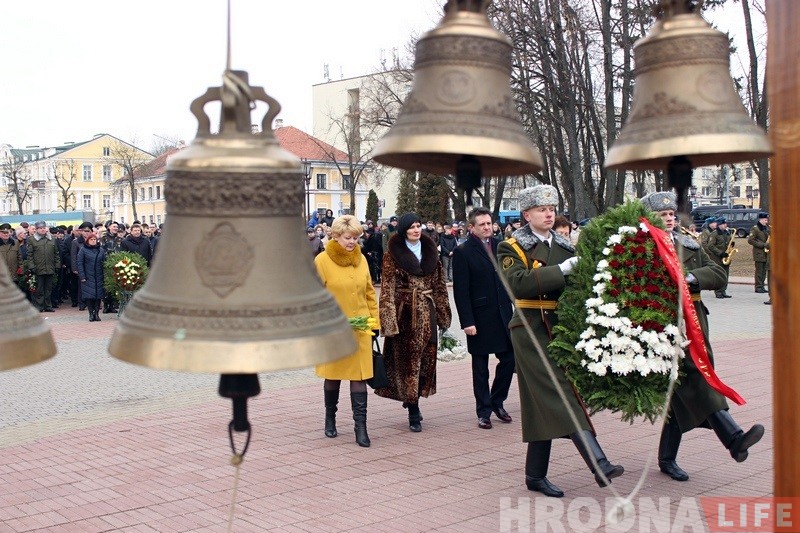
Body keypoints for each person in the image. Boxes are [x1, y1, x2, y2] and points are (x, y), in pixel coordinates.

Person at [497, 185, 623, 498]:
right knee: (560, 392)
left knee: (544, 401)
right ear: (527, 215)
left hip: (560, 327)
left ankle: (535, 476)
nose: (549, 213)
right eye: (541, 209)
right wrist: (561, 271)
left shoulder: (566, 247)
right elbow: (518, 285)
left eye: (552, 207)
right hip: (529, 329)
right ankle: (599, 463)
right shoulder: (512, 247)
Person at [639, 191, 764, 482]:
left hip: (695, 322)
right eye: (663, 215)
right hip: (666, 327)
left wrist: (693, 277)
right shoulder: (641, 247)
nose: (669, 219)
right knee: (696, 379)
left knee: (681, 393)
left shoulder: (687, 242)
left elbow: (718, 273)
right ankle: (733, 439)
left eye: (672, 214)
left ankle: (667, 459)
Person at [376, 212, 451, 432]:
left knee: (425, 359)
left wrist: (444, 313)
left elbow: (439, 286)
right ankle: (413, 409)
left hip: (427, 311)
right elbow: (387, 290)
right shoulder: (392, 255)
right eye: (411, 227)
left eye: (418, 226)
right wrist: (389, 320)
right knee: (408, 361)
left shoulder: (431, 252)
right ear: (403, 230)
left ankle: (414, 397)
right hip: (405, 314)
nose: (416, 230)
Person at [314, 215, 380, 447]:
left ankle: (360, 428)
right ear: (335, 236)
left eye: (356, 238)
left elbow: (370, 292)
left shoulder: (361, 259)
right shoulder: (322, 261)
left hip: (360, 328)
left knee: (359, 378)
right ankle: (330, 418)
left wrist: (375, 323)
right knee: (333, 377)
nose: (352, 242)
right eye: (348, 237)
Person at [452, 207, 516, 429]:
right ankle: (484, 411)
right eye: (483, 224)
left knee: (509, 359)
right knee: (480, 367)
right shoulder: (463, 252)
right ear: (472, 228)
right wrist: (467, 322)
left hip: (503, 314)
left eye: (490, 223)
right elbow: (461, 291)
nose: (488, 227)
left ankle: (497, 401)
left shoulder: (502, 247)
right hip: (479, 318)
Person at [27, 221, 61, 312]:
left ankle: (48, 305)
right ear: (37, 230)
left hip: (50, 267)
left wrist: (57, 265)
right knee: (39, 288)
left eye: (44, 228)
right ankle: (39, 306)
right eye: (40, 228)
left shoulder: (52, 239)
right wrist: (32, 266)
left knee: (49, 288)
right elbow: (29, 255)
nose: (43, 229)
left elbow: (56, 253)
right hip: (38, 267)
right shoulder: (32, 240)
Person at [76, 232, 108, 322]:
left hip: (99, 276)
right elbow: (80, 263)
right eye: (91, 239)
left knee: (98, 296)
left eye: (95, 239)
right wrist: (82, 276)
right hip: (87, 276)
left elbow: (104, 262)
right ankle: (91, 314)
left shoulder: (101, 250)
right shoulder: (83, 250)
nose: (93, 241)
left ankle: (97, 314)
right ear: (87, 241)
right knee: (89, 296)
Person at [706, 217, 733, 298]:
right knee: (719, 275)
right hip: (718, 258)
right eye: (724, 224)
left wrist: (732, 246)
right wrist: (720, 253)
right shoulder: (715, 234)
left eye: (725, 224)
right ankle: (718, 292)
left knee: (725, 274)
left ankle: (723, 290)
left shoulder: (727, 233)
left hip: (726, 257)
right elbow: (710, 246)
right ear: (719, 225)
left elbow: (729, 242)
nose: (726, 225)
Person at [747, 212, 770, 303]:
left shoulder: (766, 228)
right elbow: (750, 240)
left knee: (764, 270)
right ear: (760, 219)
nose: (766, 221)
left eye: (767, 219)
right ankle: (758, 287)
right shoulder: (755, 229)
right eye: (765, 219)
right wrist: (763, 245)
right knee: (759, 270)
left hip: (766, 253)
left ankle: (762, 286)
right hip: (759, 252)